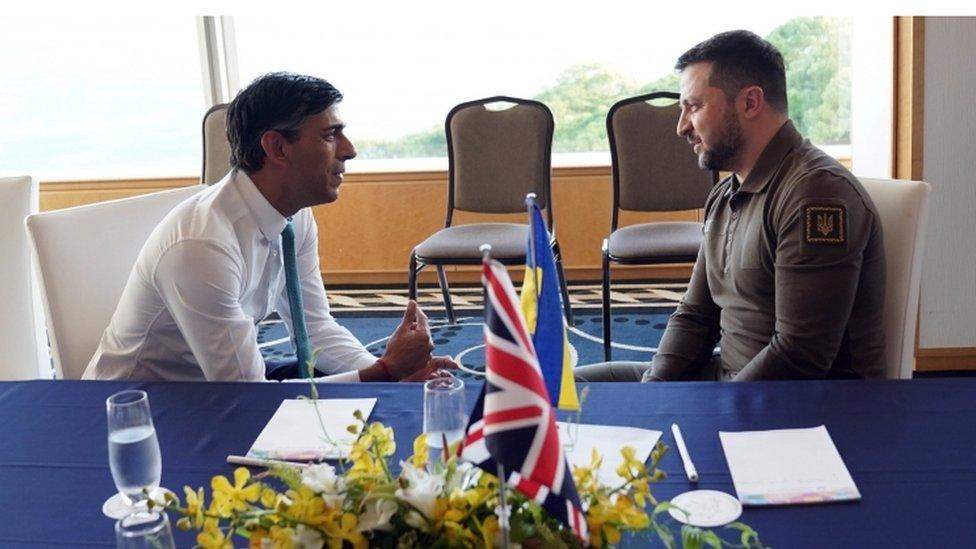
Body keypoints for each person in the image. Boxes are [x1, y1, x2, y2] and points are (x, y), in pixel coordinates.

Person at [84, 72, 455, 382]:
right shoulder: (202, 246)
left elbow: (315, 329)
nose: (349, 149)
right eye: (330, 135)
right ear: (277, 149)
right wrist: (386, 371)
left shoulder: (295, 215)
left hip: (209, 387)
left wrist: (392, 374)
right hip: (142, 408)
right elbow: (250, 398)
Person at [576, 30, 885, 382]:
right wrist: (655, 391)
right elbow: (696, 313)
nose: (681, 127)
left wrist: (707, 412)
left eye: (693, 107)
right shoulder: (725, 193)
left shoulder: (816, 195)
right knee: (554, 391)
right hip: (727, 381)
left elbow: (800, 355)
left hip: (799, 407)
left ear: (750, 103)